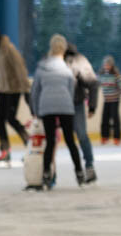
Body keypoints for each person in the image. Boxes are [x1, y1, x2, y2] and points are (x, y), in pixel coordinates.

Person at [31, 34, 85, 188]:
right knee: (70, 141)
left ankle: (47, 174)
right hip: (65, 106)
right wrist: (69, 105)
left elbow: (35, 91)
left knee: (50, 142)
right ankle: (79, 171)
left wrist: (35, 110)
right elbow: (71, 90)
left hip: (46, 106)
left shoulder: (42, 67)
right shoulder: (66, 68)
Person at [0, 24, 31, 164]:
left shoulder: (9, 49)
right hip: (3, 89)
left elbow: (20, 69)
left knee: (11, 118)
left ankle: (29, 144)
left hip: (15, 89)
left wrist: (26, 90)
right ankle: (5, 150)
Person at [64, 43, 100, 183]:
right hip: (58, 106)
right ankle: (47, 170)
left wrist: (92, 106)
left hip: (75, 104)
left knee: (81, 135)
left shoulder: (78, 61)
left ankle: (89, 166)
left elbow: (93, 83)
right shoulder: (52, 62)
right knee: (52, 140)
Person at [98, 56, 121, 145]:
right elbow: (96, 85)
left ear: (111, 65)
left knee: (115, 118)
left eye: (108, 64)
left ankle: (117, 137)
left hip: (115, 99)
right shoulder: (101, 74)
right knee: (105, 118)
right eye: (105, 64)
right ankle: (105, 136)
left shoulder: (115, 74)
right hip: (106, 100)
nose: (106, 66)